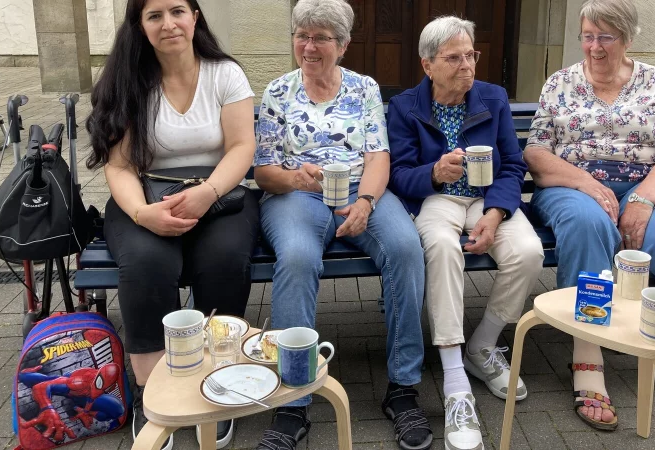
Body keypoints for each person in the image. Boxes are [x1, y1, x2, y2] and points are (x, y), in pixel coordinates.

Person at [525, 0, 655, 431]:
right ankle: (588, 351)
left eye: (606, 37)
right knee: (587, 224)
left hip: (646, 183)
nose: (594, 47)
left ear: (629, 38)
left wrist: (645, 198)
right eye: (588, 36)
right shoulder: (559, 83)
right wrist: (584, 182)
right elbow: (537, 151)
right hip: (572, 184)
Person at [252, 1, 433, 449]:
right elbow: (264, 171)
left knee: (407, 250)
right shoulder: (277, 91)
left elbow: (378, 156)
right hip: (297, 195)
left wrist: (367, 202)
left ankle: (403, 388)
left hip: (360, 191)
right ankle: (293, 400)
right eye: (302, 35)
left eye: (321, 38)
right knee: (296, 257)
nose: (309, 46)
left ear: (343, 44)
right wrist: (296, 177)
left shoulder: (364, 88)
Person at [85, 0, 259, 448]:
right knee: (145, 262)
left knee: (223, 259)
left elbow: (242, 146)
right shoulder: (127, 82)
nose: (169, 24)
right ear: (140, 26)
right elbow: (119, 167)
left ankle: (216, 382)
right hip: (145, 196)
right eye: (154, 16)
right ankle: (153, 392)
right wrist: (143, 213)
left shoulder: (225, 74)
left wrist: (207, 193)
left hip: (219, 195)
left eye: (177, 11)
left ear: (195, 16)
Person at [388, 15, 545, 450]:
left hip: (487, 198)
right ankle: (456, 384)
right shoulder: (406, 107)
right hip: (436, 199)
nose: (466, 65)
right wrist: (434, 172)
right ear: (428, 65)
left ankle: (482, 346)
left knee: (528, 251)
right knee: (440, 246)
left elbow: (512, 165)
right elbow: (398, 176)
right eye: (453, 58)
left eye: (470, 55)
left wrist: (494, 215)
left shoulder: (492, 98)